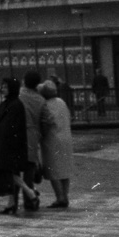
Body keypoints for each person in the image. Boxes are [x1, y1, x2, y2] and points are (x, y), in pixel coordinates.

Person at [0, 78, 37, 215]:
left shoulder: (15, 105)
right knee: (11, 172)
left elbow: (12, 127)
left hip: (9, 146)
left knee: (8, 171)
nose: (2, 89)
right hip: (5, 144)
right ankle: (12, 203)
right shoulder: (9, 103)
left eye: (5, 86)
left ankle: (29, 192)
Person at [38, 80, 74, 209]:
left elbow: (46, 123)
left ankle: (60, 198)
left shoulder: (45, 105)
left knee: (53, 171)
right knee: (65, 169)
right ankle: (65, 195)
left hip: (52, 140)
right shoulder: (61, 102)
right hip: (66, 138)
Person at [18, 71, 47, 211]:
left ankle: (13, 201)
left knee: (14, 170)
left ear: (24, 81)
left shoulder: (19, 95)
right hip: (33, 136)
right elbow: (45, 119)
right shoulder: (40, 100)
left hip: (17, 134)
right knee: (29, 170)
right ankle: (29, 201)